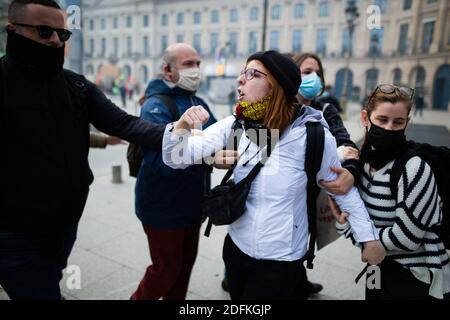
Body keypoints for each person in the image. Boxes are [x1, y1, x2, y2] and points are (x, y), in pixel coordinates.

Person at [162, 50, 385, 300]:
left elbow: (343, 191)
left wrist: (369, 239)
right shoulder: (238, 124)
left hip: (281, 261)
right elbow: (176, 158)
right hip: (237, 250)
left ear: (276, 85)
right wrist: (180, 128)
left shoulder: (312, 136)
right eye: (242, 73)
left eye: (252, 74)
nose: (240, 80)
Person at [0, 0, 165, 300]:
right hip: (16, 232)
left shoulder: (75, 85)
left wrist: (190, 142)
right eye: (44, 31)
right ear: (13, 30)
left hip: (66, 223)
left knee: (51, 275)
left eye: (62, 35)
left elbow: (127, 123)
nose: (54, 41)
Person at [330, 84, 450, 300]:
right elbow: (354, 221)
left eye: (398, 122)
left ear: (407, 123)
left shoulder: (415, 167)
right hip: (376, 267)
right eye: (382, 120)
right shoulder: (364, 164)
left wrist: (365, 238)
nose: (389, 128)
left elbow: (407, 237)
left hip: (414, 275)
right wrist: (346, 224)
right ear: (366, 119)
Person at [131, 43, 218, 300]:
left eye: (198, 64)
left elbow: (218, 139)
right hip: (163, 208)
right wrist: (208, 158)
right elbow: (161, 164)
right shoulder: (154, 107)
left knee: (183, 269)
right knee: (164, 272)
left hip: (193, 205)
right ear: (168, 70)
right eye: (188, 64)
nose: (196, 71)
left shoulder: (197, 101)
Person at [291, 52, 361, 298]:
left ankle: (299, 280)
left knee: (303, 236)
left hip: (311, 191)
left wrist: (350, 172)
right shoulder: (279, 106)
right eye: (306, 71)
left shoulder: (326, 109)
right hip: (283, 191)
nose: (314, 77)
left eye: (318, 73)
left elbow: (347, 145)